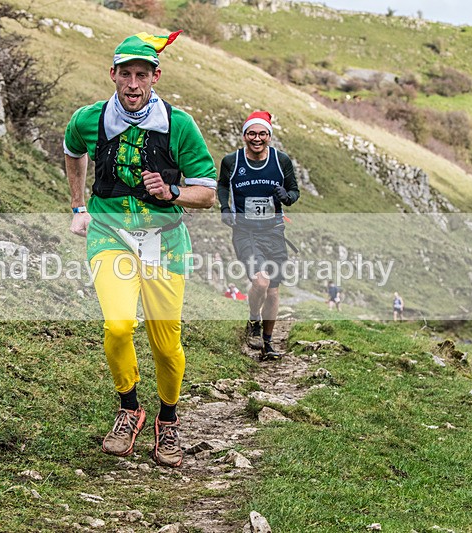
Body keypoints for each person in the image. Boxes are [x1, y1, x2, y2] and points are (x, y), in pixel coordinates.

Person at [63, 30, 216, 468]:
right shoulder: (89, 119)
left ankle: (168, 419)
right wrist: (78, 205)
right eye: (125, 74)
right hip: (110, 234)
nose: (133, 84)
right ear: (112, 75)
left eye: (142, 75)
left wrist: (172, 192)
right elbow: (73, 151)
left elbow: (207, 192)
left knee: (166, 345)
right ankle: (129, 408)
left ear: (156, 77)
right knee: (117, 326)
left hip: (165, 241)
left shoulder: (178, 124)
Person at [218, 110, 300, 361]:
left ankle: (267, 341)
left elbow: (294, 191)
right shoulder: (232, 161)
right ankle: (254, 318)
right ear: (244, 135)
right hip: (245, 232)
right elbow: (222, 184)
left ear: (269, 136)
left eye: (262, 134)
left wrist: (286, 198)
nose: (257, 138)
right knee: (261, 281)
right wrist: (224, 207)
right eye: (252, 133)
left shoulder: (281, 161)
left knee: (273, 292)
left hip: (274, 232)